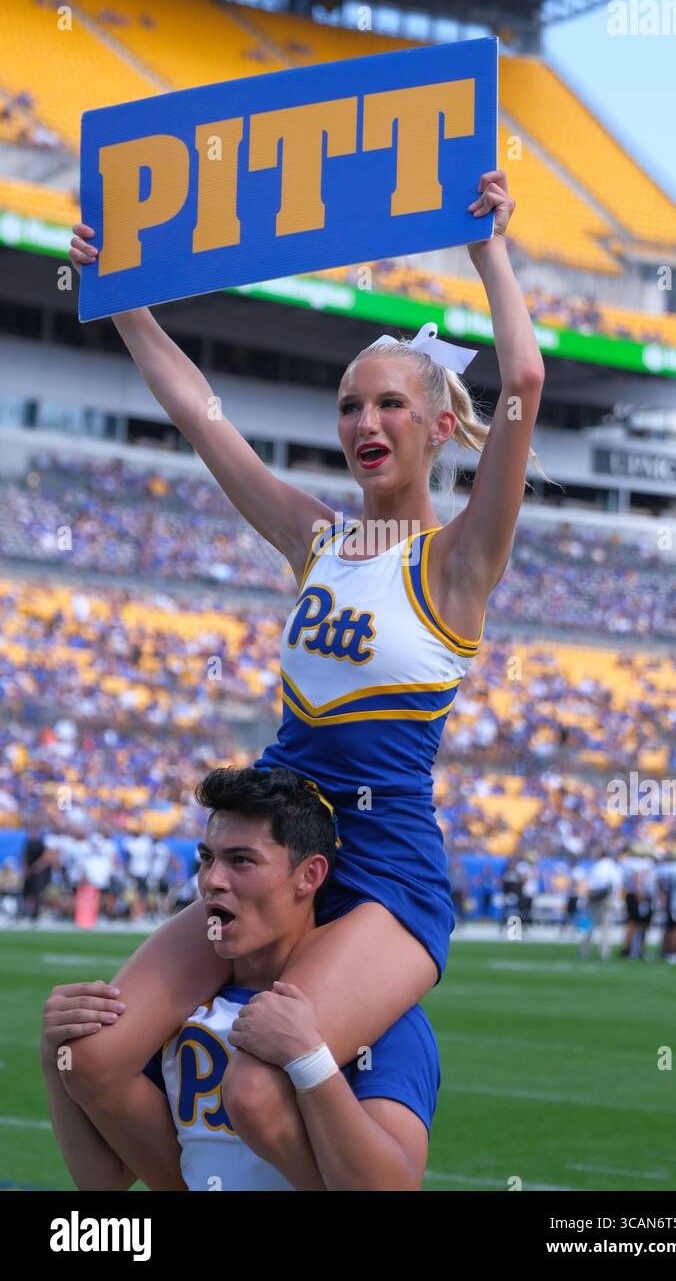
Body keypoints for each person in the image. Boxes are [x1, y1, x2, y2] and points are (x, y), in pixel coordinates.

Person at [65, 169, 544, 1179]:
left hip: (384, 873)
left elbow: (525, 384)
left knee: (253, 1081)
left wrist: (487, 251)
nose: (363, 421)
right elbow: (202, 417)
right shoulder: (316, 539)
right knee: (94, 1054)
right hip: (272, 851)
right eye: (346, 406)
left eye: (387, 404)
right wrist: (123, 304)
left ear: (437, 426)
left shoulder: (456, 562)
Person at [42, 766, 439, 1190]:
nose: (212, 881)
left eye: (242, 861)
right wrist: (55, 1057)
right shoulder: (179, 1011)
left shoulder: (381, 1018)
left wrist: (311, 1062)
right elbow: (103, 1180)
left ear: (310, 875)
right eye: (207, 859)